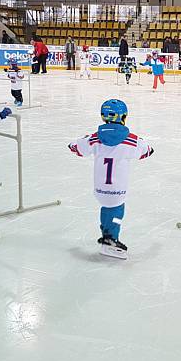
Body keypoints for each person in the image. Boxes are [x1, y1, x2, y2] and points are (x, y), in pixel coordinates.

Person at [68, 99, 154, 259]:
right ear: (124, 116)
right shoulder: (131, 140)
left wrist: (76, 143)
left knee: (107, 209)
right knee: (116, 212)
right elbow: (147, 151)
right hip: (118, 188)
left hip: (100, 188)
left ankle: (107, 236)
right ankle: (109, 242)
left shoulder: (95, 138)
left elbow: (77, 148)